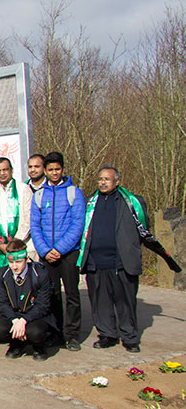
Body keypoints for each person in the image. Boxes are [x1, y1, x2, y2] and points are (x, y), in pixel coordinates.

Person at [79, 166, 147, 353]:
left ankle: (130, 337)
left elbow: (143, 230)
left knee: (125, 303)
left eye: (107, 179)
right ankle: (107, 334)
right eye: (100, 179)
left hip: (122, 262)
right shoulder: (90, 202)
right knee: (101, 302)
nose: (102, 182)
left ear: (117, 181)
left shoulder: (132, 202)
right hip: (96, 261)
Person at [30, 151, 85, 352]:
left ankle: (72, 335)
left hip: (68, 253)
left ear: (63, 169)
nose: (54, 173)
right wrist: (45, 250)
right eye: (50, 169)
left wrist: (60, 249)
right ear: (45, 170)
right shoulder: (39, 195)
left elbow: (78, 224)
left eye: (57, 169)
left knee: (71, 294)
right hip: (47, 254)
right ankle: (56, 333)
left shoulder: (74, 193)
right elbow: (35, 226)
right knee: (51, 295)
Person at [0, 240, 55, 361]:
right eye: (11, 262)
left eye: (18, 262)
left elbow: (43, 305)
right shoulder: (2, 274)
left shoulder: (40, 274)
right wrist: (15, 320)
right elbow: (2, 302)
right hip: (15, 315)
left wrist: (24, 320)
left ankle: (38, 346)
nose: (14, 266)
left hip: (35, 316)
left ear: (26, 259)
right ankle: (16, 343)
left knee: (35, 332)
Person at [0, 157, 34, 268]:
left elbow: (29, 219)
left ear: (12, 170)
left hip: (23, 246)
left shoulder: (23, 189)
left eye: (5, 169)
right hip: (0, 249)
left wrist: (15, 243)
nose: (2, 173)